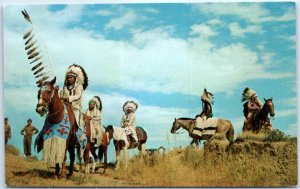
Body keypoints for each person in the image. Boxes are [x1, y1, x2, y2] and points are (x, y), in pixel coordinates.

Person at [60, 64, 88, 130]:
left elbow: (78, 96)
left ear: (75, 78)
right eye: (68, 77)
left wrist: (68, 98)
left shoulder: (79, 86)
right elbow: (60, 96)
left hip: (75, 109)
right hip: (64, 108)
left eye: (71, 77)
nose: (69, 79)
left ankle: (78, 136)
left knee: (76, 125)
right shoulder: (64, 88)